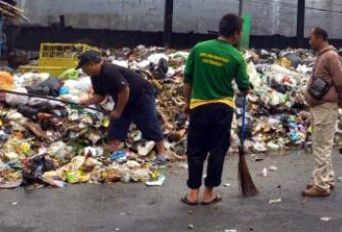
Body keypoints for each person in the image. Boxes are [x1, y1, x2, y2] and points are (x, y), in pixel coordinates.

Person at [181, 13, 252, 206]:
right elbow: (244, 86)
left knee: (195, 150)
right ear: (236, 33)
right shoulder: (237, 57)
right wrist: (246, 89)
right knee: (217, 150)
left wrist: (187, 104)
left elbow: (187, 80)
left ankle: (193, 193)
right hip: (222, 109)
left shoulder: (199, 49)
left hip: (199, 107)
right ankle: (209, 193)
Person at [74, 50, 168, 163]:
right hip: (124, 99)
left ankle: (162, 154)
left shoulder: (109, 71)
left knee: (149, 122)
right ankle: (114, 154)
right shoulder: (95, 76)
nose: (83, 71)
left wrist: (118, 110)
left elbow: (124, 90)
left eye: (84, 68)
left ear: (91, 64)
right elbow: (100, 95)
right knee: (116, 123)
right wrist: (87, 102)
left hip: (141, 95)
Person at [303, 26, 342, 197]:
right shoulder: (323, 56)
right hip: (320, 108)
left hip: (325, 108)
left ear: (320, 37)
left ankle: (321, 186)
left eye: (311, 37)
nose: (309, 41)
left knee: (320, 145)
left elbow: (340, 82)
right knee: (323, 144)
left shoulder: (330, 56)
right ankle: (326, 179)